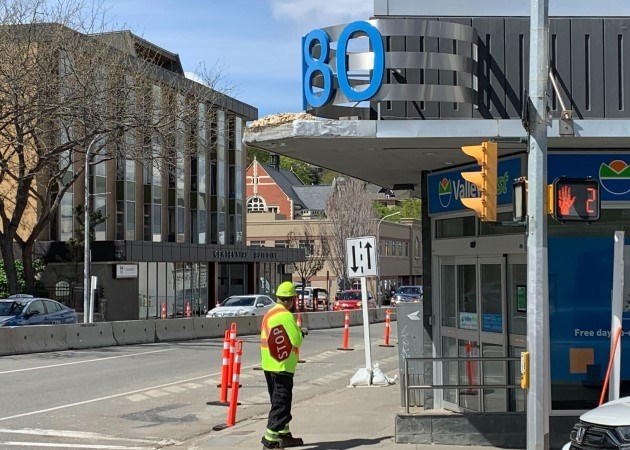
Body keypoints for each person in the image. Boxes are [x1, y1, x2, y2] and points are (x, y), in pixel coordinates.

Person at [260, 281, 306, 449]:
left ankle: (283, 434)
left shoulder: (270, 313)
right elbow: (296, 339)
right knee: (281, 403)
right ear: (292, 299)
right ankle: (270, 440)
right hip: (283, 367)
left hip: (269, 365)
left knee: (278, 401)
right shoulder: (286, 315)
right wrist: (301, 331)